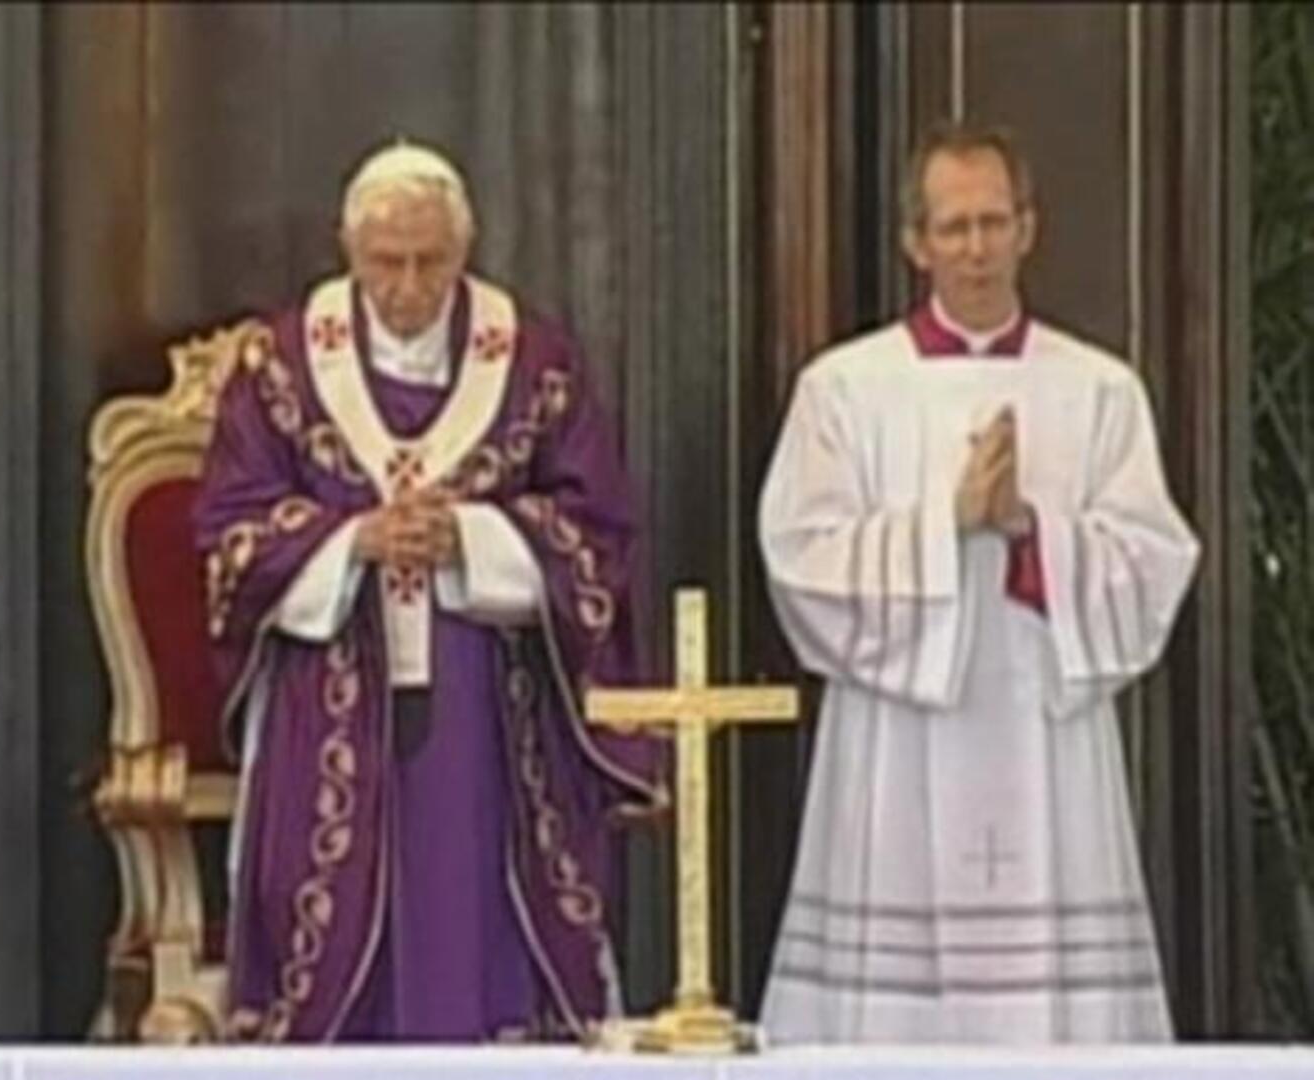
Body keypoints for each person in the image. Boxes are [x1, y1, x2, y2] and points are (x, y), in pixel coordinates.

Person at [196, 140, 666, 1043]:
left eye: (430, 262)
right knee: (323, 920)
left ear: (465, 249)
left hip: (489, 702)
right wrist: (351, 540)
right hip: (329, 697)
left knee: (479, 924)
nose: (408, 286)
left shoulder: (535, 363)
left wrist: (475, 537)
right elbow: (229, 529)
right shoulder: (283, 369)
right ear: (347, 249)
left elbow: (599, 528)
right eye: (385, 263)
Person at [755, 122, 1200, 1044]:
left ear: (1027, 229)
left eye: (994, 223)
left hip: (1044, 726)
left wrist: (1029, 531)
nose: (976, 248)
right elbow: (798, 556)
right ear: (915, 243)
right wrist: (943, 524)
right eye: (953, 228)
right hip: (896, 735)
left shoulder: (1098, 390)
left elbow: (1154, 559)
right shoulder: (843, 389)